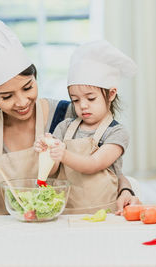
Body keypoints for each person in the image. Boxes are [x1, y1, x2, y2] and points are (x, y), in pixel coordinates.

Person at [0, 16, 138, 214]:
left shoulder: (68, 116)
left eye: (28, 87)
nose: (22, 102)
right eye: (7, 96)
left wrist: (126, 189)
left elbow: (105, 168)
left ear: (35, 78)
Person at [34, 40, 140, 214]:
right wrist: (47, 152)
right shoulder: (65, 127)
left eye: (90, 98)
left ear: (111, 94)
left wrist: (63, 153)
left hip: (103, 214)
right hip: (65, 213)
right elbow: (52, 171)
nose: (82, 105)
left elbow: (94, 164)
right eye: (75, 100)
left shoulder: (116, 132)